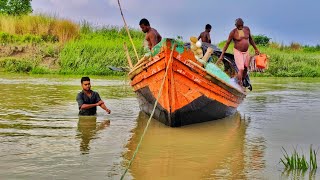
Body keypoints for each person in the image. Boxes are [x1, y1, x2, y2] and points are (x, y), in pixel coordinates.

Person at [217, 18, 260, 87]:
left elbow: (251, 40)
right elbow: (227, 43)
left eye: (241, 26)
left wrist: (256, 49)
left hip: (246, 52)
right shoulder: (233, 32)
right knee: (241, 69)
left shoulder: (247, 29)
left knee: (246, 68)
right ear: (235, 25)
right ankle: (239, 84)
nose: (240, 27)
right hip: (238, 52)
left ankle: (242, 81)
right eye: (238, 26)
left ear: (243, 24)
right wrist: (222, 55)